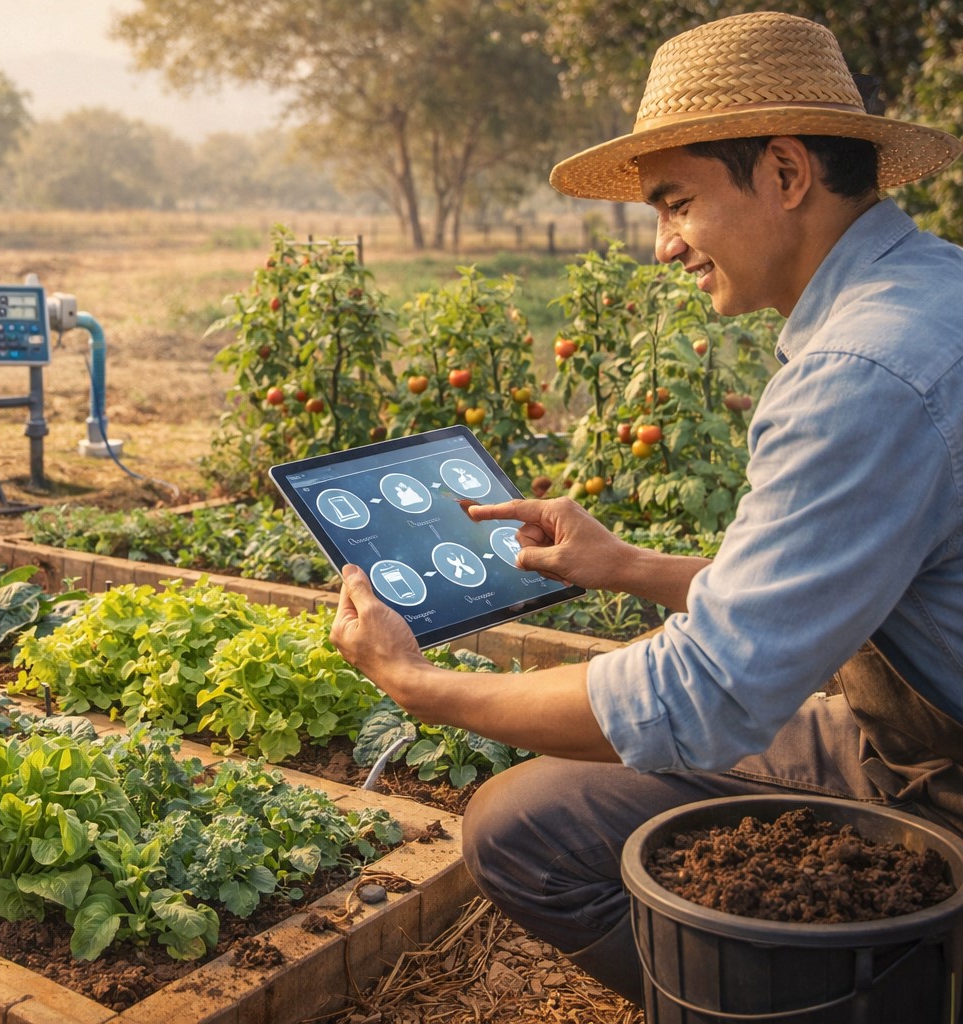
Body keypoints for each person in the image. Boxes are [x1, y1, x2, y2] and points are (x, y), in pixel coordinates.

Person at [328, 10, 963, 1005]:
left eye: (677, 204)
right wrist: (626, 567)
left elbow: (702, 696)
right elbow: (825, 588)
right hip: (918, 737)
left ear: (785, 173)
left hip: (944, 777)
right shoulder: (933, 290)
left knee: (520, 829)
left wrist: (416, 683)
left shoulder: (860, 374)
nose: (664, 247)